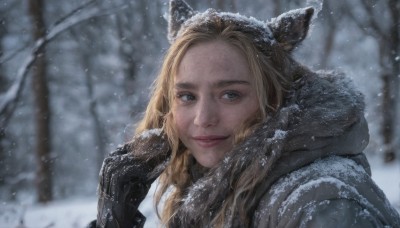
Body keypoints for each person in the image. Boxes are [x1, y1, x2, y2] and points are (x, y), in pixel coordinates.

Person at [88, 0, 400, 227]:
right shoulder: (213, 191)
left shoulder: (318, 202)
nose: (203, 118)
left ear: (276, 98)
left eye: (230, 94)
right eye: (186, 96)